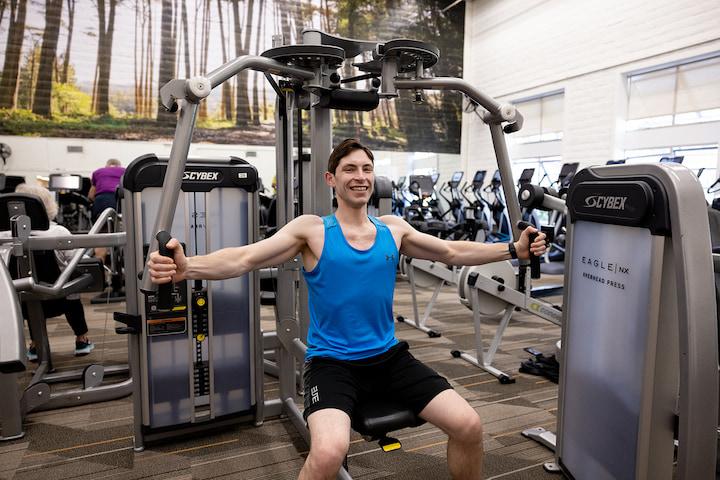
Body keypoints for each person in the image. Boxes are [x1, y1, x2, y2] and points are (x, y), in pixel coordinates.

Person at [148, 139, 547, 479]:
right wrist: (188, 267)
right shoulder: (312, 229)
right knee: (327, 453)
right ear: (331, 179)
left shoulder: (394, 228)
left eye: (367, 169)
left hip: (390, 358)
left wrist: (512, 249)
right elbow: (245, 258)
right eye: (350, 169)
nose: (360, 176)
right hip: (332, 364)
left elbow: (452, 251)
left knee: (469, 425)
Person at [1, 183, 94, 359]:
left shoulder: (3, 237)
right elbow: (77, 261)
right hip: (58, 296)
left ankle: (35, 344)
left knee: (22, 295)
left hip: (20, 300)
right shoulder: (58, 231)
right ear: (47, 207)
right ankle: (81, 339)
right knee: (73, 288)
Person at [89, 158, 125, 260]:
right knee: (123, 232)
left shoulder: (97, 172)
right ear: (119, 165)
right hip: (119, 201)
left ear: (107, 165)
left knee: (101, 235)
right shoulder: (125, 171)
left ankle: (101, 265)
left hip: (101, 201)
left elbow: (91, 195)